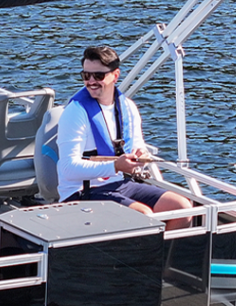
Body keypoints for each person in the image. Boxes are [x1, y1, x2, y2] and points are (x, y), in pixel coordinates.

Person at [57, 45, 192, 230]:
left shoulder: (127, 107)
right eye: (86, 76)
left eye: (98, 76)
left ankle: (162, 250)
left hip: (121, 184)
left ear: (115, 75)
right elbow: (67, 168)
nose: (91, 81)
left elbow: (138, 146)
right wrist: (115, 166)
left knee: (182, 207)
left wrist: (141, 156)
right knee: (143, 215)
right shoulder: (75, 112)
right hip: (82, 192)